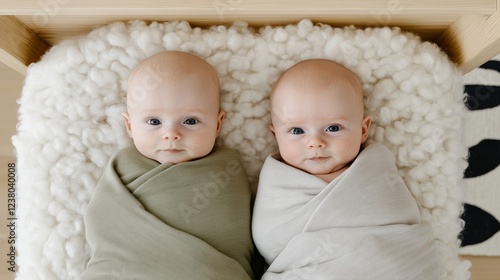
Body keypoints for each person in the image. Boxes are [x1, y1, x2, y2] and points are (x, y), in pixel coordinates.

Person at [252, 59, 439, 279]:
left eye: (333, 128)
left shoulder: (376, 170)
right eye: (296, 131)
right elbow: (271, 239)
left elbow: (400, 223)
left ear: (362, 130)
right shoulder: (277, 184)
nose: (315, 142)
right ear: (276, 136)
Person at [81, 51, 254, 280]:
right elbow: (104, 223)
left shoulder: (227, 171)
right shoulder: (122, 167)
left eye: (190, 121)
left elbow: (241, 240)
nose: (171, 134)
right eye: (154, 122)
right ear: (130, 126)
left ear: (218, 124)